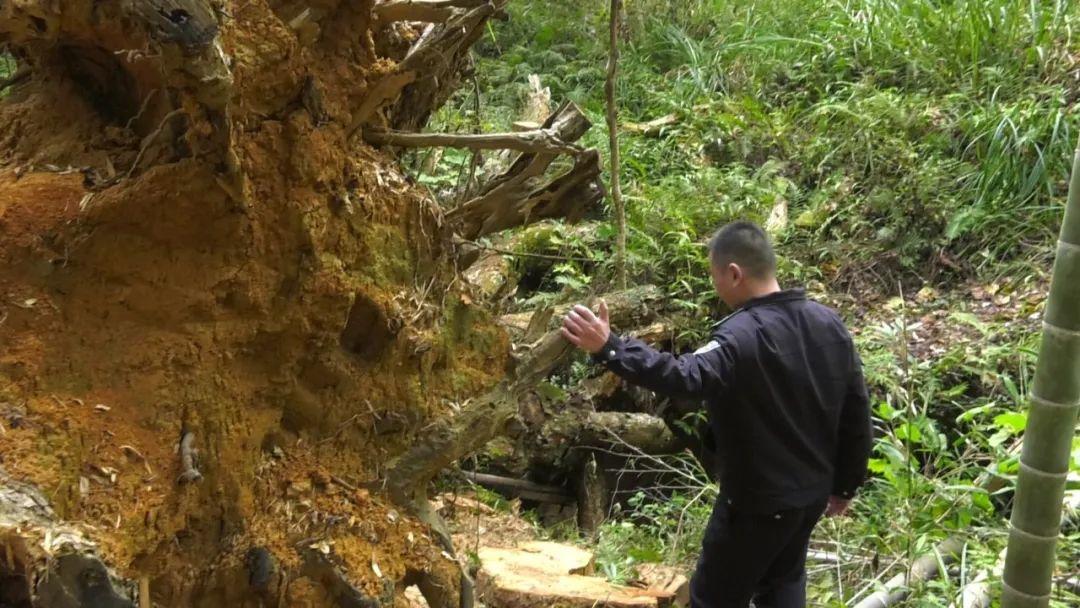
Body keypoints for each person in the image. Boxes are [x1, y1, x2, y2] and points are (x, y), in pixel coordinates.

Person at [561, 221, 871, 608]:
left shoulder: (740, 336)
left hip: (756, 505)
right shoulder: (829, 324)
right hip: (808, 499)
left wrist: (610, 347)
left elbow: (684, 375)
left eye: (714, 275)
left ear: (735, 273)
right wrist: (845, 484)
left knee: (714, 598)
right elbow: (857, 411)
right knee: (784, 583)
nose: (714, 285)